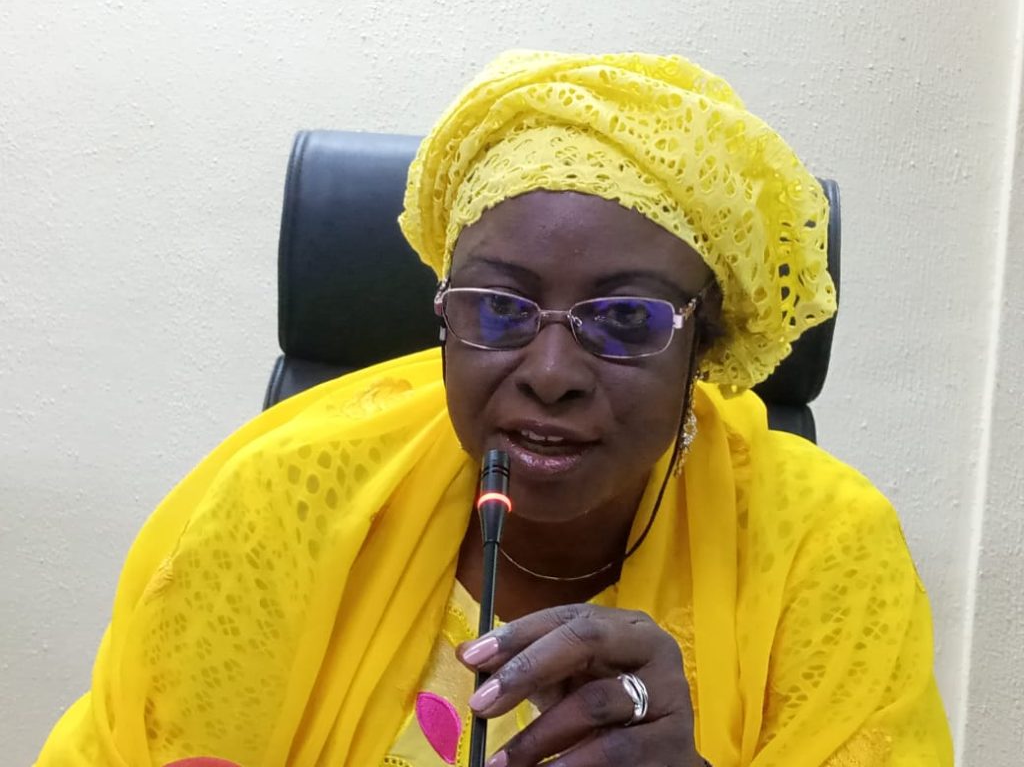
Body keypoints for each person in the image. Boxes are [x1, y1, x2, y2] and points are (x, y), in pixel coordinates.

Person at [36, 50, 952, 767]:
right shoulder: (286, 501)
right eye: (499, 309)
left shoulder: (825, 550)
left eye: (625, 319)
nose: (550, 373)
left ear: (701, 349)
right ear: (444, 318)